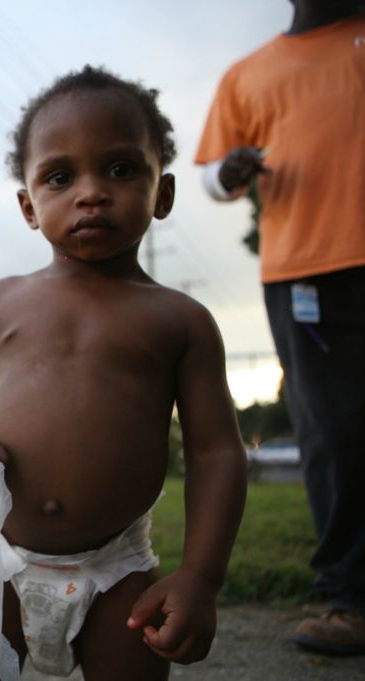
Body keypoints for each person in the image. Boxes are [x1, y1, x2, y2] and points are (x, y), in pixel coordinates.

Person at [0, 66, 247, 680]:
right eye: (61, 177)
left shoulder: (180, 321)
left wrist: (201, 578)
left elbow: (217, 454)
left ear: (163, 193)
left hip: (117, 573)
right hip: (0, 567)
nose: (91, 192)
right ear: (29, 206)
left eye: (121, 169)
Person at [194, 1, 365, 656]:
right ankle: (346, 596)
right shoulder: (248, 74)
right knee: (333, 430)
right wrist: (228, 174)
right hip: (305, 273)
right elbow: (212, 174)